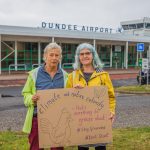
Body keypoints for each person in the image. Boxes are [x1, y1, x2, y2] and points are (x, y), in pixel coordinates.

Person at [66, 43, 116, 150]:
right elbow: (67, 99)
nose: (85, 56)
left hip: (99, 119)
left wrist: (111, 111)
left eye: (87, 53)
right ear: (78, 57)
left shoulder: (103, 75)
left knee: (100, 147)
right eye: (82, 54)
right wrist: (74, 91)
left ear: (93, 55)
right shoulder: (72, 76)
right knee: (82, 148)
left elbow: (110, 97)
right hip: (80, 119)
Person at [22, 43, 68, 150]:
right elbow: (26, 94)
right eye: (51, 55)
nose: (54, 58)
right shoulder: (34, 74)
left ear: (60, 58)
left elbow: (70, 96)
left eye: (57, 55)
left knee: (57, 148)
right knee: (35, 147)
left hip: (57, 119)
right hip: (37, 118)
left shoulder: (65, 76)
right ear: (45, 56)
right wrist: (31, 98)